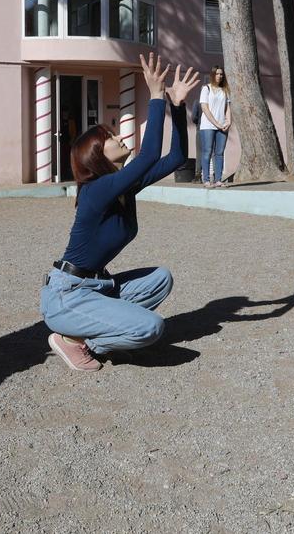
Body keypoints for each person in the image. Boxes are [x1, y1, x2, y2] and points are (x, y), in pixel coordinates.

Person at [42, 54, 199, 371]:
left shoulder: (123, 187)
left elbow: (177, 157)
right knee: (151, 328)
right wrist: (156, 95)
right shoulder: (96, 190)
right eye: (110, 138)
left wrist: (177, 105)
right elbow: (150, 154)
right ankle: (75, 341)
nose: (119, 137)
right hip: (68, 296)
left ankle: (99, 335)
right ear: (96, 155)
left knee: (160, 278)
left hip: (96, 287)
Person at [198, 65, 231, 187]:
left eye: (221, 74)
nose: (219, 76)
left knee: (220, 153)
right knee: (207, 152)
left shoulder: (225, 90)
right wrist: (217, 124)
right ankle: (206, 180)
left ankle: (218, 180)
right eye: (217, 74)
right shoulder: (206, 89)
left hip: (222, 126)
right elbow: (205, 108)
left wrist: (229, 121)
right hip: (208, 126)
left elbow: (227, 108)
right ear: (213, 75)